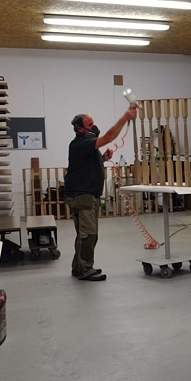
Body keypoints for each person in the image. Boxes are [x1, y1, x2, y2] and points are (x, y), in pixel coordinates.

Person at [65, 107, 137, 281]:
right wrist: (125, 117)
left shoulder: (85, 145)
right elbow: (109, 137)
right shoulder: (80, 143)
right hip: (83, 196)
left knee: (84, 233)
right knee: (89, 234)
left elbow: (86, 163)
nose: (94, 126)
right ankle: (85, 270)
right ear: (81, 129)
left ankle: (79, 267)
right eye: (90, 124)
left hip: (84, 194)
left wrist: (103, 158)